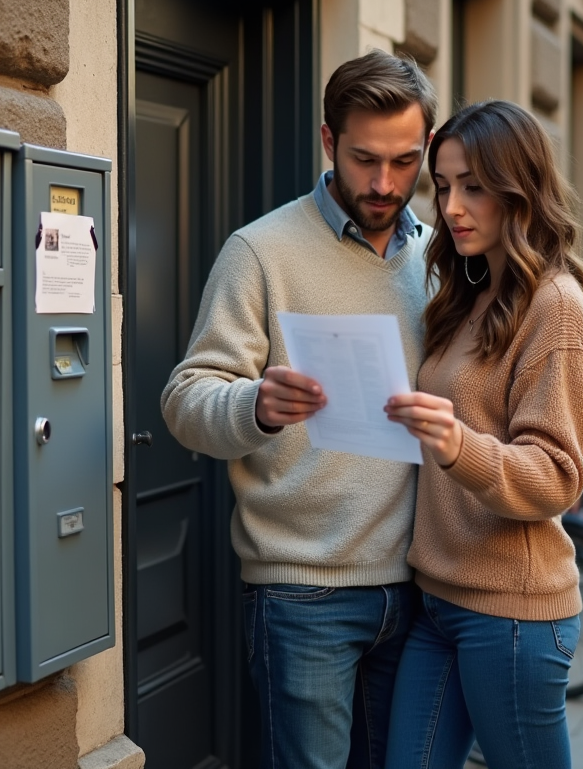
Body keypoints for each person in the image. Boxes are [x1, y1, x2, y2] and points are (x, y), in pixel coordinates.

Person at [160, 50, 437, 769]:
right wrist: (256, 404)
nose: (383, 184)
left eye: (405, 161)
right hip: (302, 594)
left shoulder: (440, 261)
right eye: (363, 159)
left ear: (428, 148)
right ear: (327, 141)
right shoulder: (260, 251)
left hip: (423, 587)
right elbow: (186, 401)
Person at [381, 100, 583, 769]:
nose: (451, 205)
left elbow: (558, 475)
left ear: (519, 187)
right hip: (439, 601)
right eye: (443, 185)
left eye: (474, 185)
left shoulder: (555, 306)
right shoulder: (469, 291)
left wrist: (457, 446)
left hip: (513, 618)